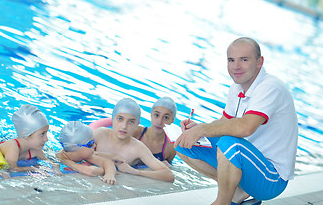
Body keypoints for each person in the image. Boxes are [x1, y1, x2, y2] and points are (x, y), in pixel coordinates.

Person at [175, 37, 298, 205]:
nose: (236, 67)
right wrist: (197, 129)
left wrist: (203, 130)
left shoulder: (270, 87)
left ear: (259, 62)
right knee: (182, 143)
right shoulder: (237, 88)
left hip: (271, 178)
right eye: (231, 60)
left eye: (244, 60)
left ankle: (223, 202)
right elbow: (224, 122)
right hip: (247, 162)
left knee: (229, 144)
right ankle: (238, 192)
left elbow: (246, 127)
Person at [93, 98, 174, 182]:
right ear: (112, 119)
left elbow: (169, 175)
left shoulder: (138, 148)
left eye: (131, 122)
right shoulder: (99, 134)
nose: (124, 126)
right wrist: (111, 157)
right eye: (120, 119)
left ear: (137, 124)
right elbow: (79, 152)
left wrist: (134, 171)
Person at [0, 104, 61, 174]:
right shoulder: (12, 146)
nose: (46, 139)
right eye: (42, 134)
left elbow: (52, 163)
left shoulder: (36, 151)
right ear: (25, 133)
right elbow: (12, 169)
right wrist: (32, 168)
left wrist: (56, 169)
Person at [132, 97, 177, 166]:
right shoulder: (135, 133)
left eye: (166, 117)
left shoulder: (171, 146)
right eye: (156, 115)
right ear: (151, 115)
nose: (159, 122)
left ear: (172, 120)